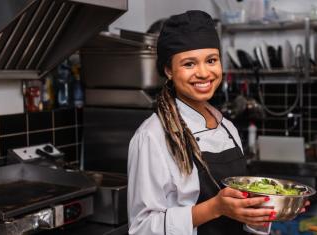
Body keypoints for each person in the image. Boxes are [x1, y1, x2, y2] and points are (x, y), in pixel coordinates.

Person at [127, 10, 306, 235]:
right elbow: (142, 228)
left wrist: (261, 214)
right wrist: (215, 207)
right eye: (189, 64)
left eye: (211, 60)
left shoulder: (227, 128)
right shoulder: (153, 136)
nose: (204, 73)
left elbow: (240, 221)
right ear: (168, 70)